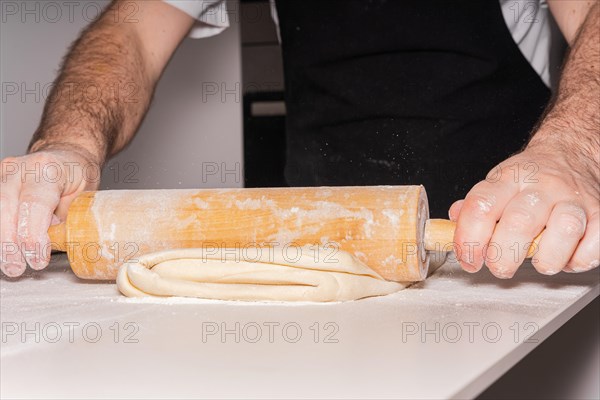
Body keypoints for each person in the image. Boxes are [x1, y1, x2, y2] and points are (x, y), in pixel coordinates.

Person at [1, 0, 598, 279]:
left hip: (514, 238)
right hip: (309, 244)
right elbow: (131, 30)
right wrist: (68, 144)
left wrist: (572, 147)